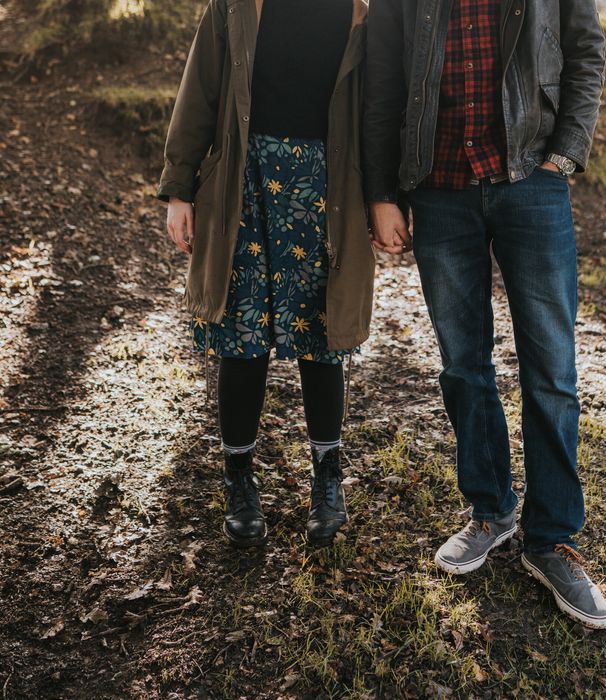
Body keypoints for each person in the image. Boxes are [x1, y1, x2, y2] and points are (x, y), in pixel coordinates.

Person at [364, 0, 606, 628]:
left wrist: (567, 148)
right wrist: (381, 192)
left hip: (532, 177)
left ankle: (551, 539)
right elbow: (384, 80)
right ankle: (491, 510)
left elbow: (586, 49)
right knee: (463, 365)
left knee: (552, 372)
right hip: (439, 186)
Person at [158, 0, 373, 549]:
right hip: (243, 184)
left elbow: (377, 113)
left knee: (322, 338)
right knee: (243, 336)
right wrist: (180, 188)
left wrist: (384, 198)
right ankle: (239, 479)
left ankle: (327, 478)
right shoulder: (234, 6)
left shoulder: (358, 13)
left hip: (325, 191)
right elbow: (199, 93)